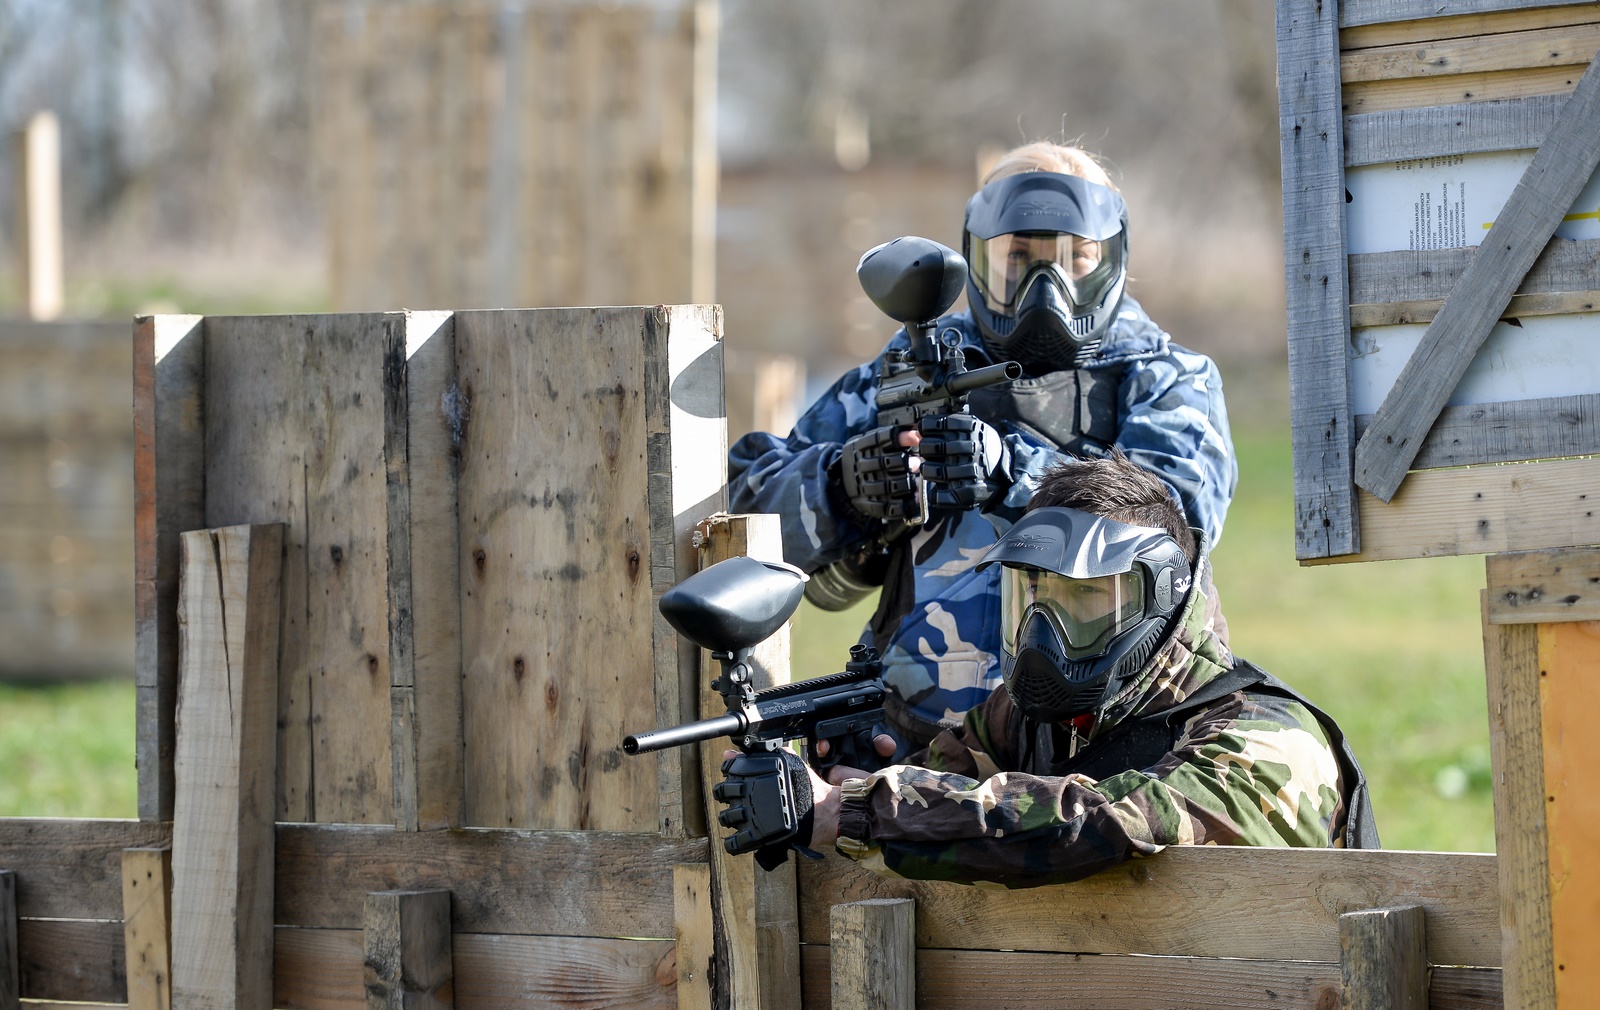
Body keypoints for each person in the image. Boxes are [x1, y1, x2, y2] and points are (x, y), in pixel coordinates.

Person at [728, 141, 1238, 757]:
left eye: (1074, 259)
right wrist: (841, 488)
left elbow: (1172, 528)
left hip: (1099, 753)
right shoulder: (917, 369)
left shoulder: (1167, 378)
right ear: (977, 260)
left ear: (1111, 259)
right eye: (1018, 258)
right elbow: (740, 515)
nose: (1044, 288)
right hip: (913, 755)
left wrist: (1012, 473)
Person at [770, 453, 1376, 886]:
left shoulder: (1270, 741)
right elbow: (942, 785)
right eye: (1030, 597)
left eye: (1081, 598)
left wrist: (852, 810)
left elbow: (1103, 825)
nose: (1042, 631)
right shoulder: (1038, 717)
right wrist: (853, 775)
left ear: (1157, 599)